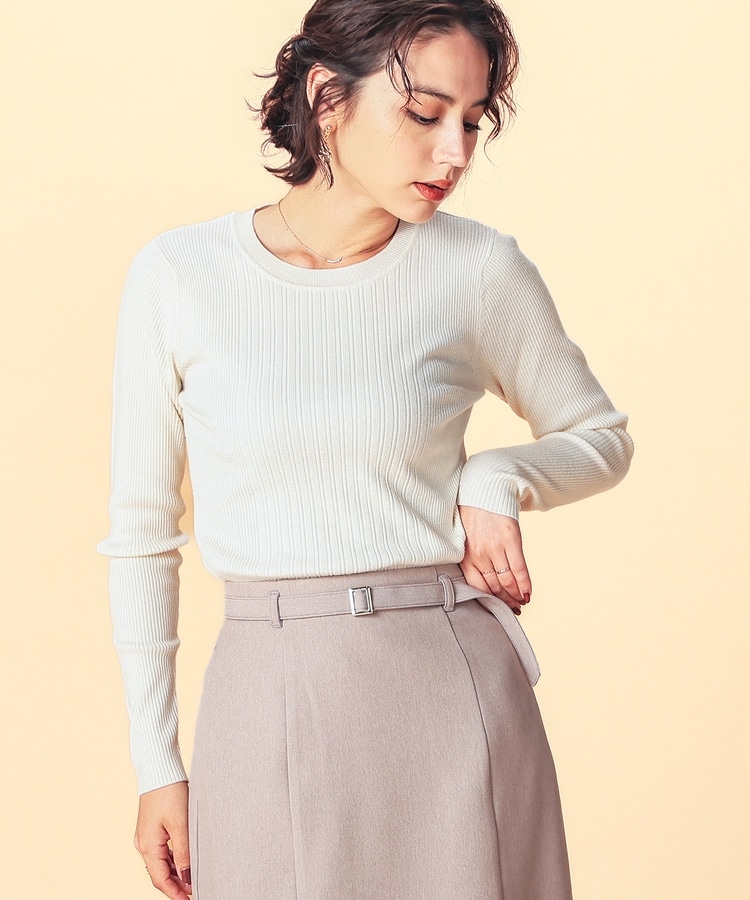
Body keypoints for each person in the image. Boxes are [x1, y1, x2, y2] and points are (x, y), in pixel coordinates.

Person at [98, 1, 634, 898]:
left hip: (453, 694)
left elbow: (600, 437)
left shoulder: (477, 268)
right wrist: (157, 763)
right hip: (263, 693)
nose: (454, 154)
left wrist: (498, 476)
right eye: (424, 114)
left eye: (474, 121)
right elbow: (142, 537)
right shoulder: (179, 277)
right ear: (326, 97)